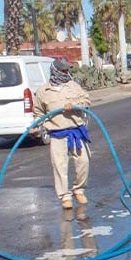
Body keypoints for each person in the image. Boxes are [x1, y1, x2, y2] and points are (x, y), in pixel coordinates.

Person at [31, 58, 92, 209]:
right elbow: (39, 112)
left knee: (83, 161)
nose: (66, 73)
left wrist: (76, 105)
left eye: (67, 70)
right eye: (63, 70)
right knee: (59, 166)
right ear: (55, 71)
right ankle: (65, 196)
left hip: (76, 131)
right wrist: (36, 126)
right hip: (57, 133)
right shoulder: (43, 91)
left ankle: (79, 190)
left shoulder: (73, 86)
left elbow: (86, 101)